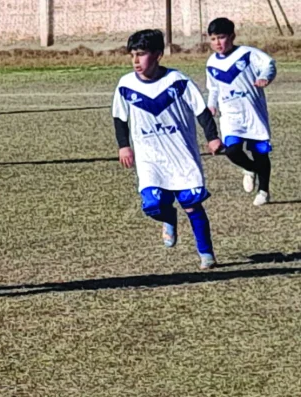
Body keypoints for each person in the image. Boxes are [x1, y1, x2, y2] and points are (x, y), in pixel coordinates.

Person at [112, 29, 223, 269]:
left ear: (158, 55)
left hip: (181, 156)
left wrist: (213, 138)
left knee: (191, 203)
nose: (135, 61)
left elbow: (201, 110)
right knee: (152, 204)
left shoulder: (178, 82)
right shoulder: (126, 85)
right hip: (149, 157)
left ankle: (206, 254)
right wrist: (124, 146)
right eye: (132, 55)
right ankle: (168, 216)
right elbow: (119, 118)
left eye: (141, 54)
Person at [206, 17, 277, 206]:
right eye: (213, 39)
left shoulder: (247, 54)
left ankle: (264, 191)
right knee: (232, 150)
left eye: (221, 38)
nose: (217, 43)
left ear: (232, 36)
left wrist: (264, 77)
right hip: (230, 115)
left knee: (260, 153)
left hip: (253, 112)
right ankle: (250, 169)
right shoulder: (212, 62)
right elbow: (213, 87)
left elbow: (269, 64)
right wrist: (211, 104)